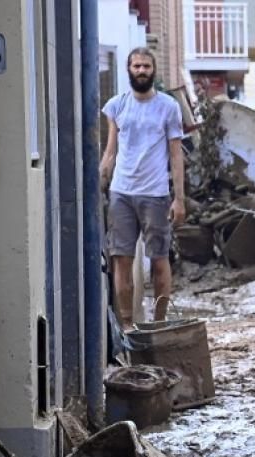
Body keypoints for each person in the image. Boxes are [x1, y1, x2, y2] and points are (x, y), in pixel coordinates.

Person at [99, 47, 185, 327]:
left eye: (146, 66)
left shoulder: (168, 107)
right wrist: (101, 179)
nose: (141, 71)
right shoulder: (116, 106)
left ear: (153, 70)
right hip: (121, 193)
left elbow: (175, 155)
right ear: (128, 69)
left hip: (156, 195)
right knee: (121, 259)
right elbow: (110, 150)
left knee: (159, 260)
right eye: (136, 66)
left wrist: (179, 199)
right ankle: (126, 326)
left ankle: (158, 324)